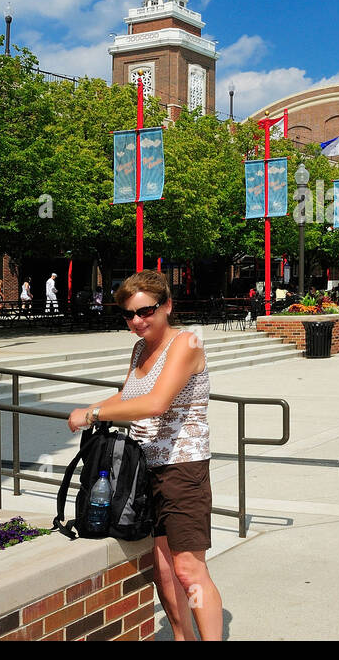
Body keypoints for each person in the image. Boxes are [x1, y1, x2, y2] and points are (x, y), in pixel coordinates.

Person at [66, 270, 222, 640]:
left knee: (188, 569)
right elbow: (126, 396)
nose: (138, 321)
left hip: (182, 467)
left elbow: (155, 403)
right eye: (129, 315)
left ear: (167, 305)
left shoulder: (187, 344)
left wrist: (94, 414)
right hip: (143, 467)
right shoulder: (140, 348)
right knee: (164, 570)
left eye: (146, 311)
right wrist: (89, 409)